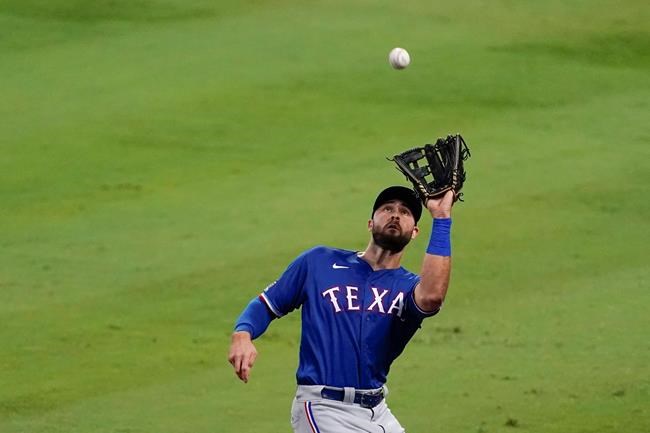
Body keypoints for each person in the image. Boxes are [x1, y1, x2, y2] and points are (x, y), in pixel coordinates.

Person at [228, 186, 457, 433]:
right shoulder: (319, 262)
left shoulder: (408, 287)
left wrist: (442, 219)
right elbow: (267, 304)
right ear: (370, 223)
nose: (395, 215)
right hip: (323, 408)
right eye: (387, 208)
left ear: (414, 232)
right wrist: (243, 333)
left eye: (404, 212)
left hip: (377, 411)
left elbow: (432, 297)